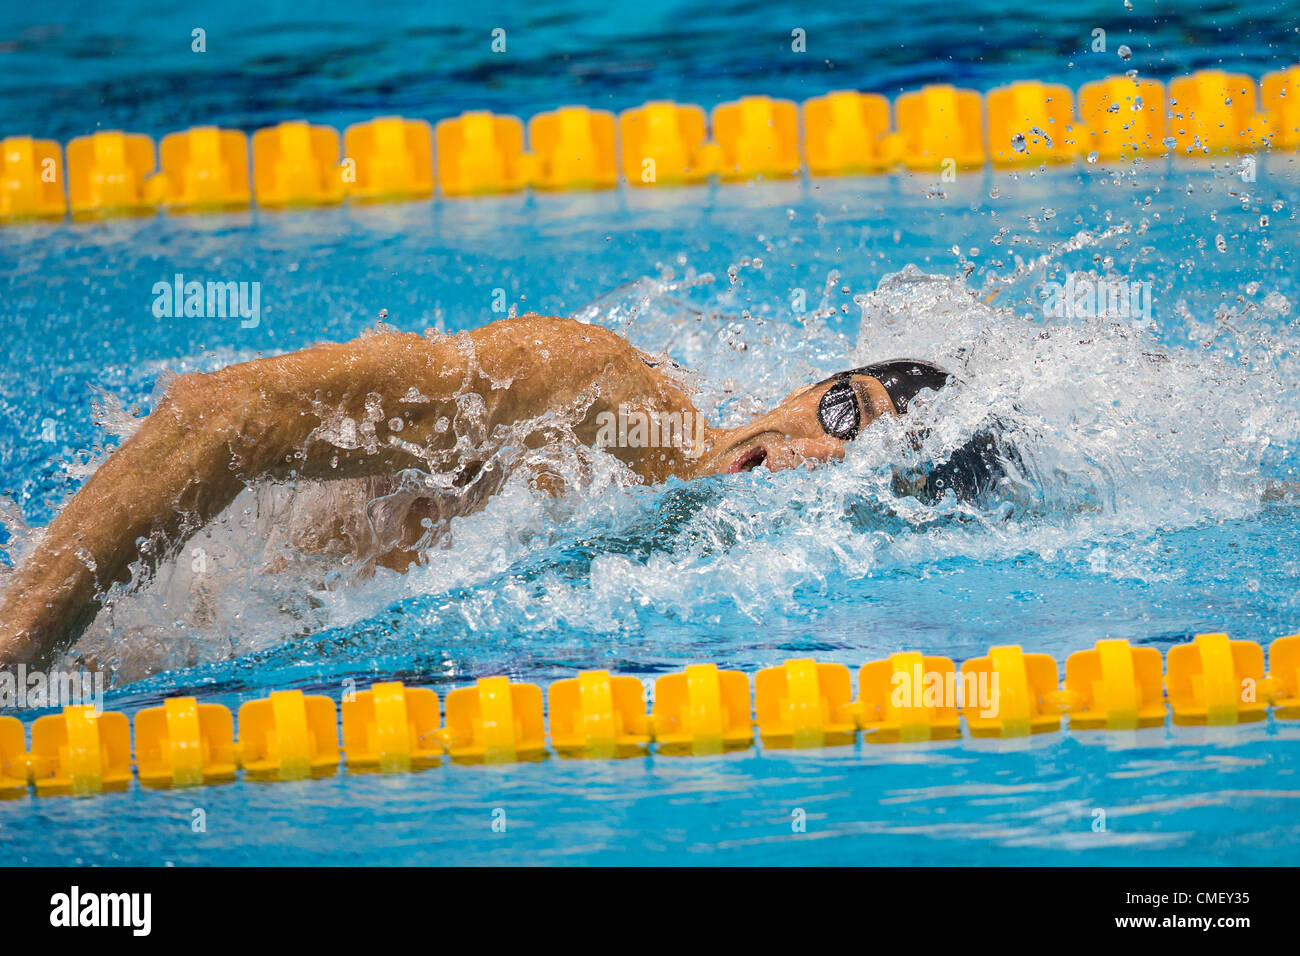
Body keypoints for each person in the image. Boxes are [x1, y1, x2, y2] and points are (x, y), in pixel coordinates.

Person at [0, 312, 1008, 666]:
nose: (828, 456)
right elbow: (224, 414)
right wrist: (17, 652)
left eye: (869, 467)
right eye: (843, 410)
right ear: (805, 387)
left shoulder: (718, 592)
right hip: (97, 637)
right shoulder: (589, 385)